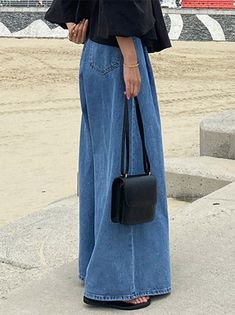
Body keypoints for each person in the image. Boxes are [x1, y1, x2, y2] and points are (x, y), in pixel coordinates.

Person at [45, 0, 172, 311]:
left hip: (96, 55)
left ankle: (96, 263)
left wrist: (75, 20)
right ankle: (116, 282)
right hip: (118, 55)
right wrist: (131, 59)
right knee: (128, 162)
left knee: (100, 162)